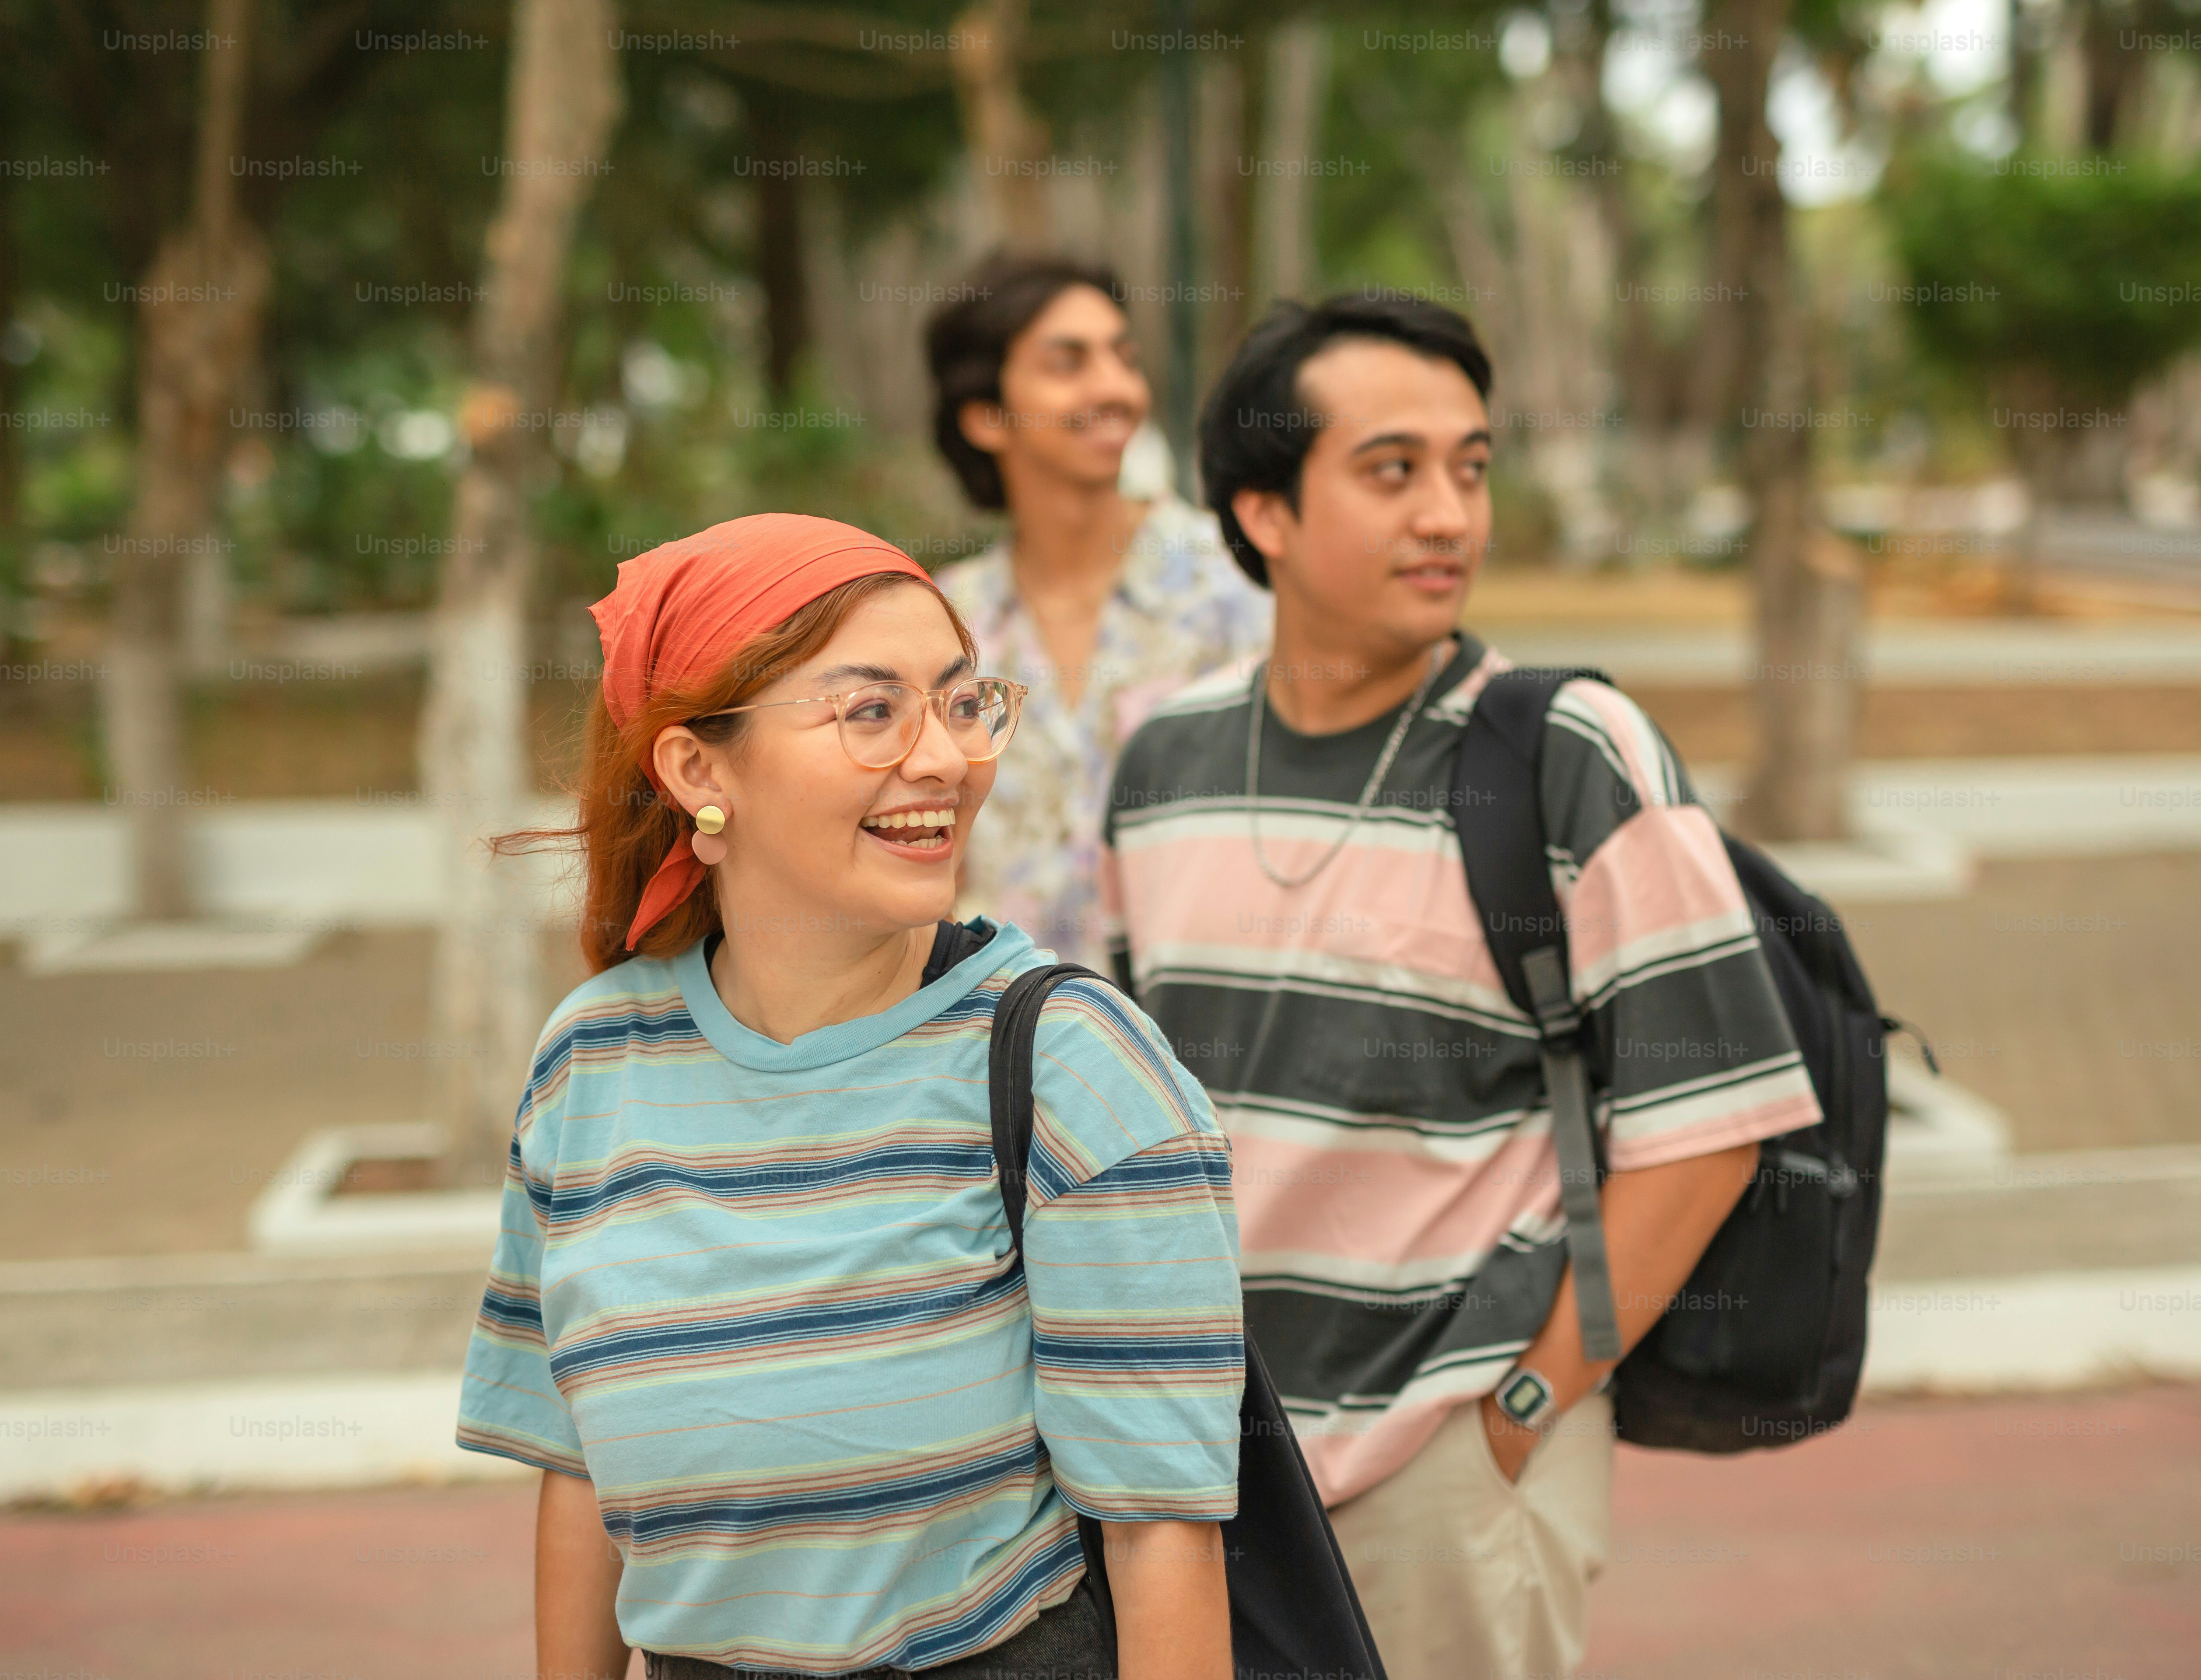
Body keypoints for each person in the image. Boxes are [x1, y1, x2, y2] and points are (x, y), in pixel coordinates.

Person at [1100, 296, 1823, 1680]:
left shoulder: (1570, 752)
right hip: (1200, 1471)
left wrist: (1531, 1401)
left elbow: (1713, 1126)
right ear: (1263, 513)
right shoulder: (1162, 762)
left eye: (1472, 468)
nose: (1450, 514)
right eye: (1393, 471)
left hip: (1447, 1453)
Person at [454, 514, 1244, 1680]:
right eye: (872, 711)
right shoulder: (592, 1063)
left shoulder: (1074, 1068)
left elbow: (1161, 1533)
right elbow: (579, 1473)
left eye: (962, 702)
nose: (944, 759)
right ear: (696, 771)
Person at [925, 253, 1270, 970]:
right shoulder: (942, 622)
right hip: (995, 1048)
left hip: (1198, 1050)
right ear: (987, 417)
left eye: (1125, 357)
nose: (1115, 387)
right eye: (1068, 362)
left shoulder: (1237, 583)